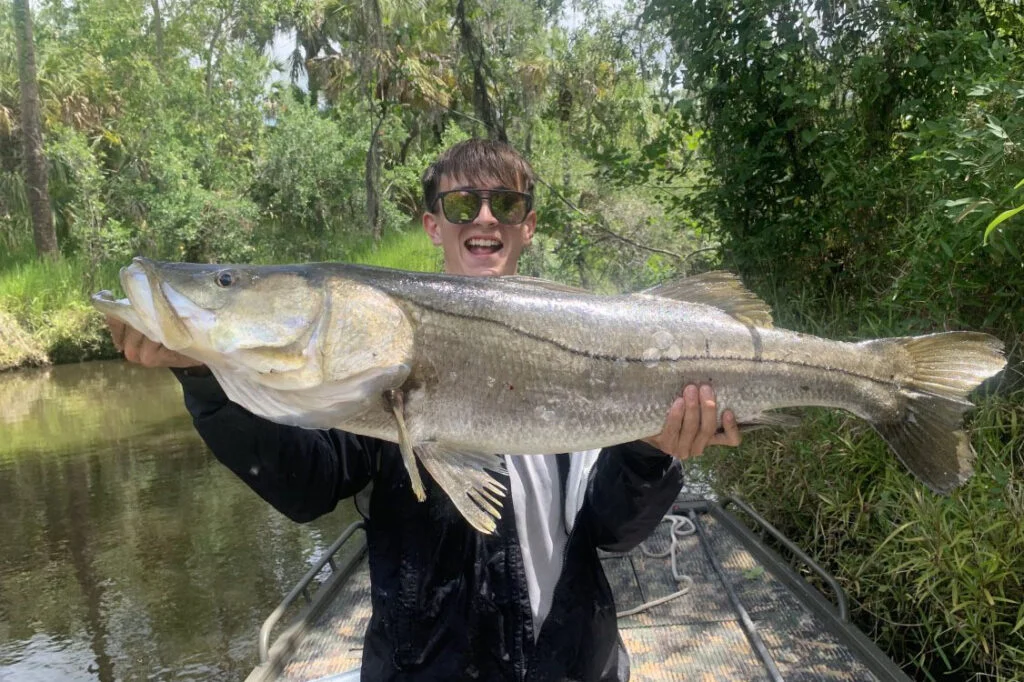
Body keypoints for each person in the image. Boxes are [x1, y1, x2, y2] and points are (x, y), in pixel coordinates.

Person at [106, 139, 741, 681]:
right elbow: (304, 485)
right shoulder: (372, 358)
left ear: (528, 224)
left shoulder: (589, 343)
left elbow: (614, 532)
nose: (484, 219)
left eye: (506, 204)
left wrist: (654, 452)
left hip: (569, 662)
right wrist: (202, 375)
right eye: (462, 204)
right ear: (434, 224)